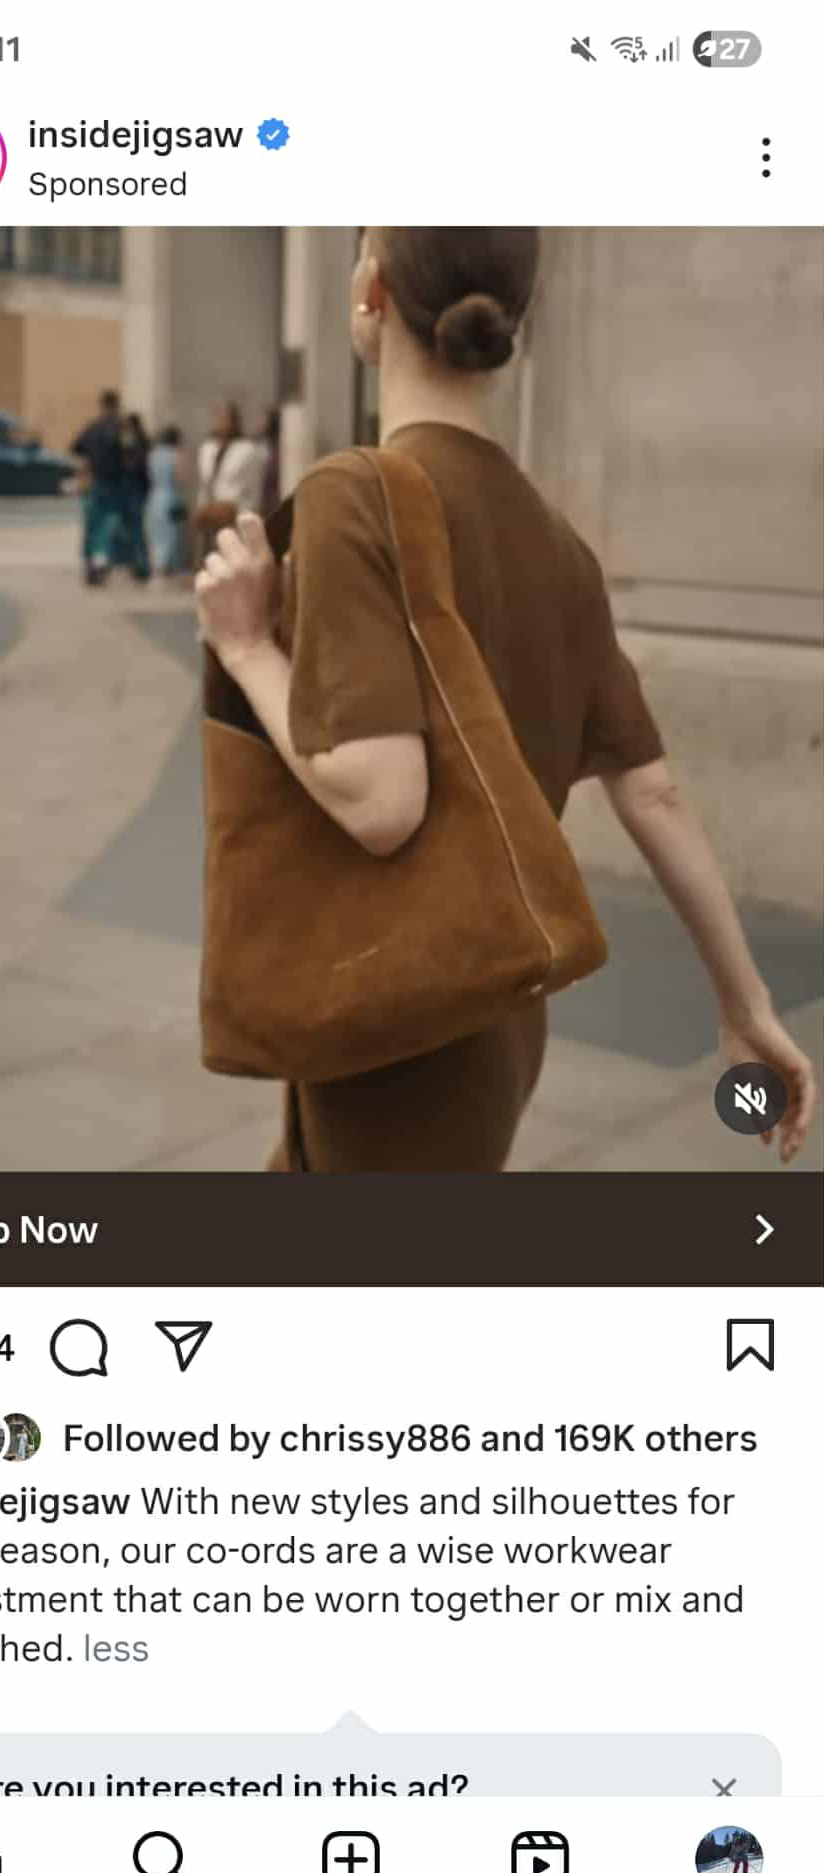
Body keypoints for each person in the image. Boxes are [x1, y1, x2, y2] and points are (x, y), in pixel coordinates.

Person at [195, 227, 817, 1173]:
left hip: (391, 1027)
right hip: (492, 1013)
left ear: (369, 291)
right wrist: (745, 1004)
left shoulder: (355, 497)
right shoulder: (561, 547)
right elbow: (653, 793)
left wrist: (244, 647)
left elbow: (379, 797)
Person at [196, 401, 262, 559]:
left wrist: (247, 511)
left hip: (235, 507)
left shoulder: (247, 449)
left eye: (224, 418)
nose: (220, 422)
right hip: (211, 505)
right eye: (217, 417)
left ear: (234, 421)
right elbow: (205, 481)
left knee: (231, 552)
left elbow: (253, 485)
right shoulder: (208, 448)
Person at [71, 390, 123, 585]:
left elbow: (76, 448)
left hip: (93, 484)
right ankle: (100, 563)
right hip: (111, 485)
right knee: (106, 527)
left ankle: (91, 564)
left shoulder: (91, 428)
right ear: (115, 406)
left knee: (92, 526)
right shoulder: (119, 429)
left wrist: (87, 468)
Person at [148, 426, 189, 576]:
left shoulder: (153, 454)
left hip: (155, 497)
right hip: (171, 496)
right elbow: (181, 478)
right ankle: (167, 565)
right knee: (171, 533)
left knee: (157, 533)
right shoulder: (176, 455)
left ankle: (158, 563)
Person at [119, 411, 151, 579]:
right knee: (134, 530)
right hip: (135, 491)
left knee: (136, 530)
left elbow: (135, 466)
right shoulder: (141, 441)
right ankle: (137, 565)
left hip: (134, 491)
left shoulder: (137, 443)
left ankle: (140, 565)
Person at [255, 405, 281, 521]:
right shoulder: (261, 445)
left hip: (275, 496)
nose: (259, 423)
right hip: (265, 497)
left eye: (263, 420)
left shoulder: (279, 447)